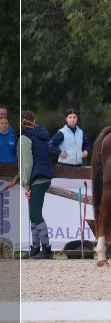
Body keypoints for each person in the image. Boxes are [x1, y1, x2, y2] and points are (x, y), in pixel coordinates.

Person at [19, 111, 55, 259]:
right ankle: (35, 248)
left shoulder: (25, 138)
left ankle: (46, 249)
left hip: (36, 179)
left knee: (35, 215)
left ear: (22, 123)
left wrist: (26, 185)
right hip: (44, 177)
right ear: (34, 121)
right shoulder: (40, 135)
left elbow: (26, 164)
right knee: (33, 215)